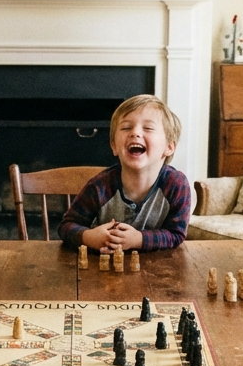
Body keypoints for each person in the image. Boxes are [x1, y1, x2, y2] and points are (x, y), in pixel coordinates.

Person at [59, 94, 190, 252]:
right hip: (101, 269)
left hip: (157, 270)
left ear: (169, 147)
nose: (135, 133)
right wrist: (89, 237)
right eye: (126, 127)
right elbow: (66, 227)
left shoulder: (176, 184)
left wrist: (139, 239)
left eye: (148, 128)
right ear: (114, 146)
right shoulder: (99, 186)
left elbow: (176, 234)